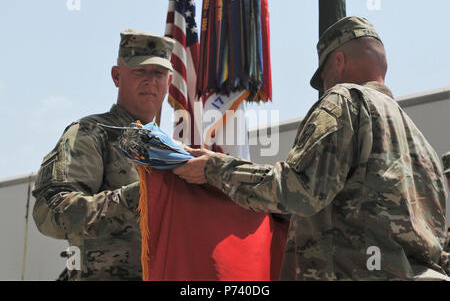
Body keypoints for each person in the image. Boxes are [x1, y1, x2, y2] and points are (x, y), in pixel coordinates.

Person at [174, 16, 450, 280]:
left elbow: (301, 189)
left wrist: (214, 169)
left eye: (324, 75)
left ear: (339, 61)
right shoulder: (423, 145)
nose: (324, 87)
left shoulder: (346, 99)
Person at [32, 30, 174, 280]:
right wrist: (139, 196)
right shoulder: (90, 134)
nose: (151, 81)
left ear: (169, 82)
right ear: (117, 76)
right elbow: (50, 214)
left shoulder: (171, 152)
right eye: (140, 71)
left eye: (158, 73)